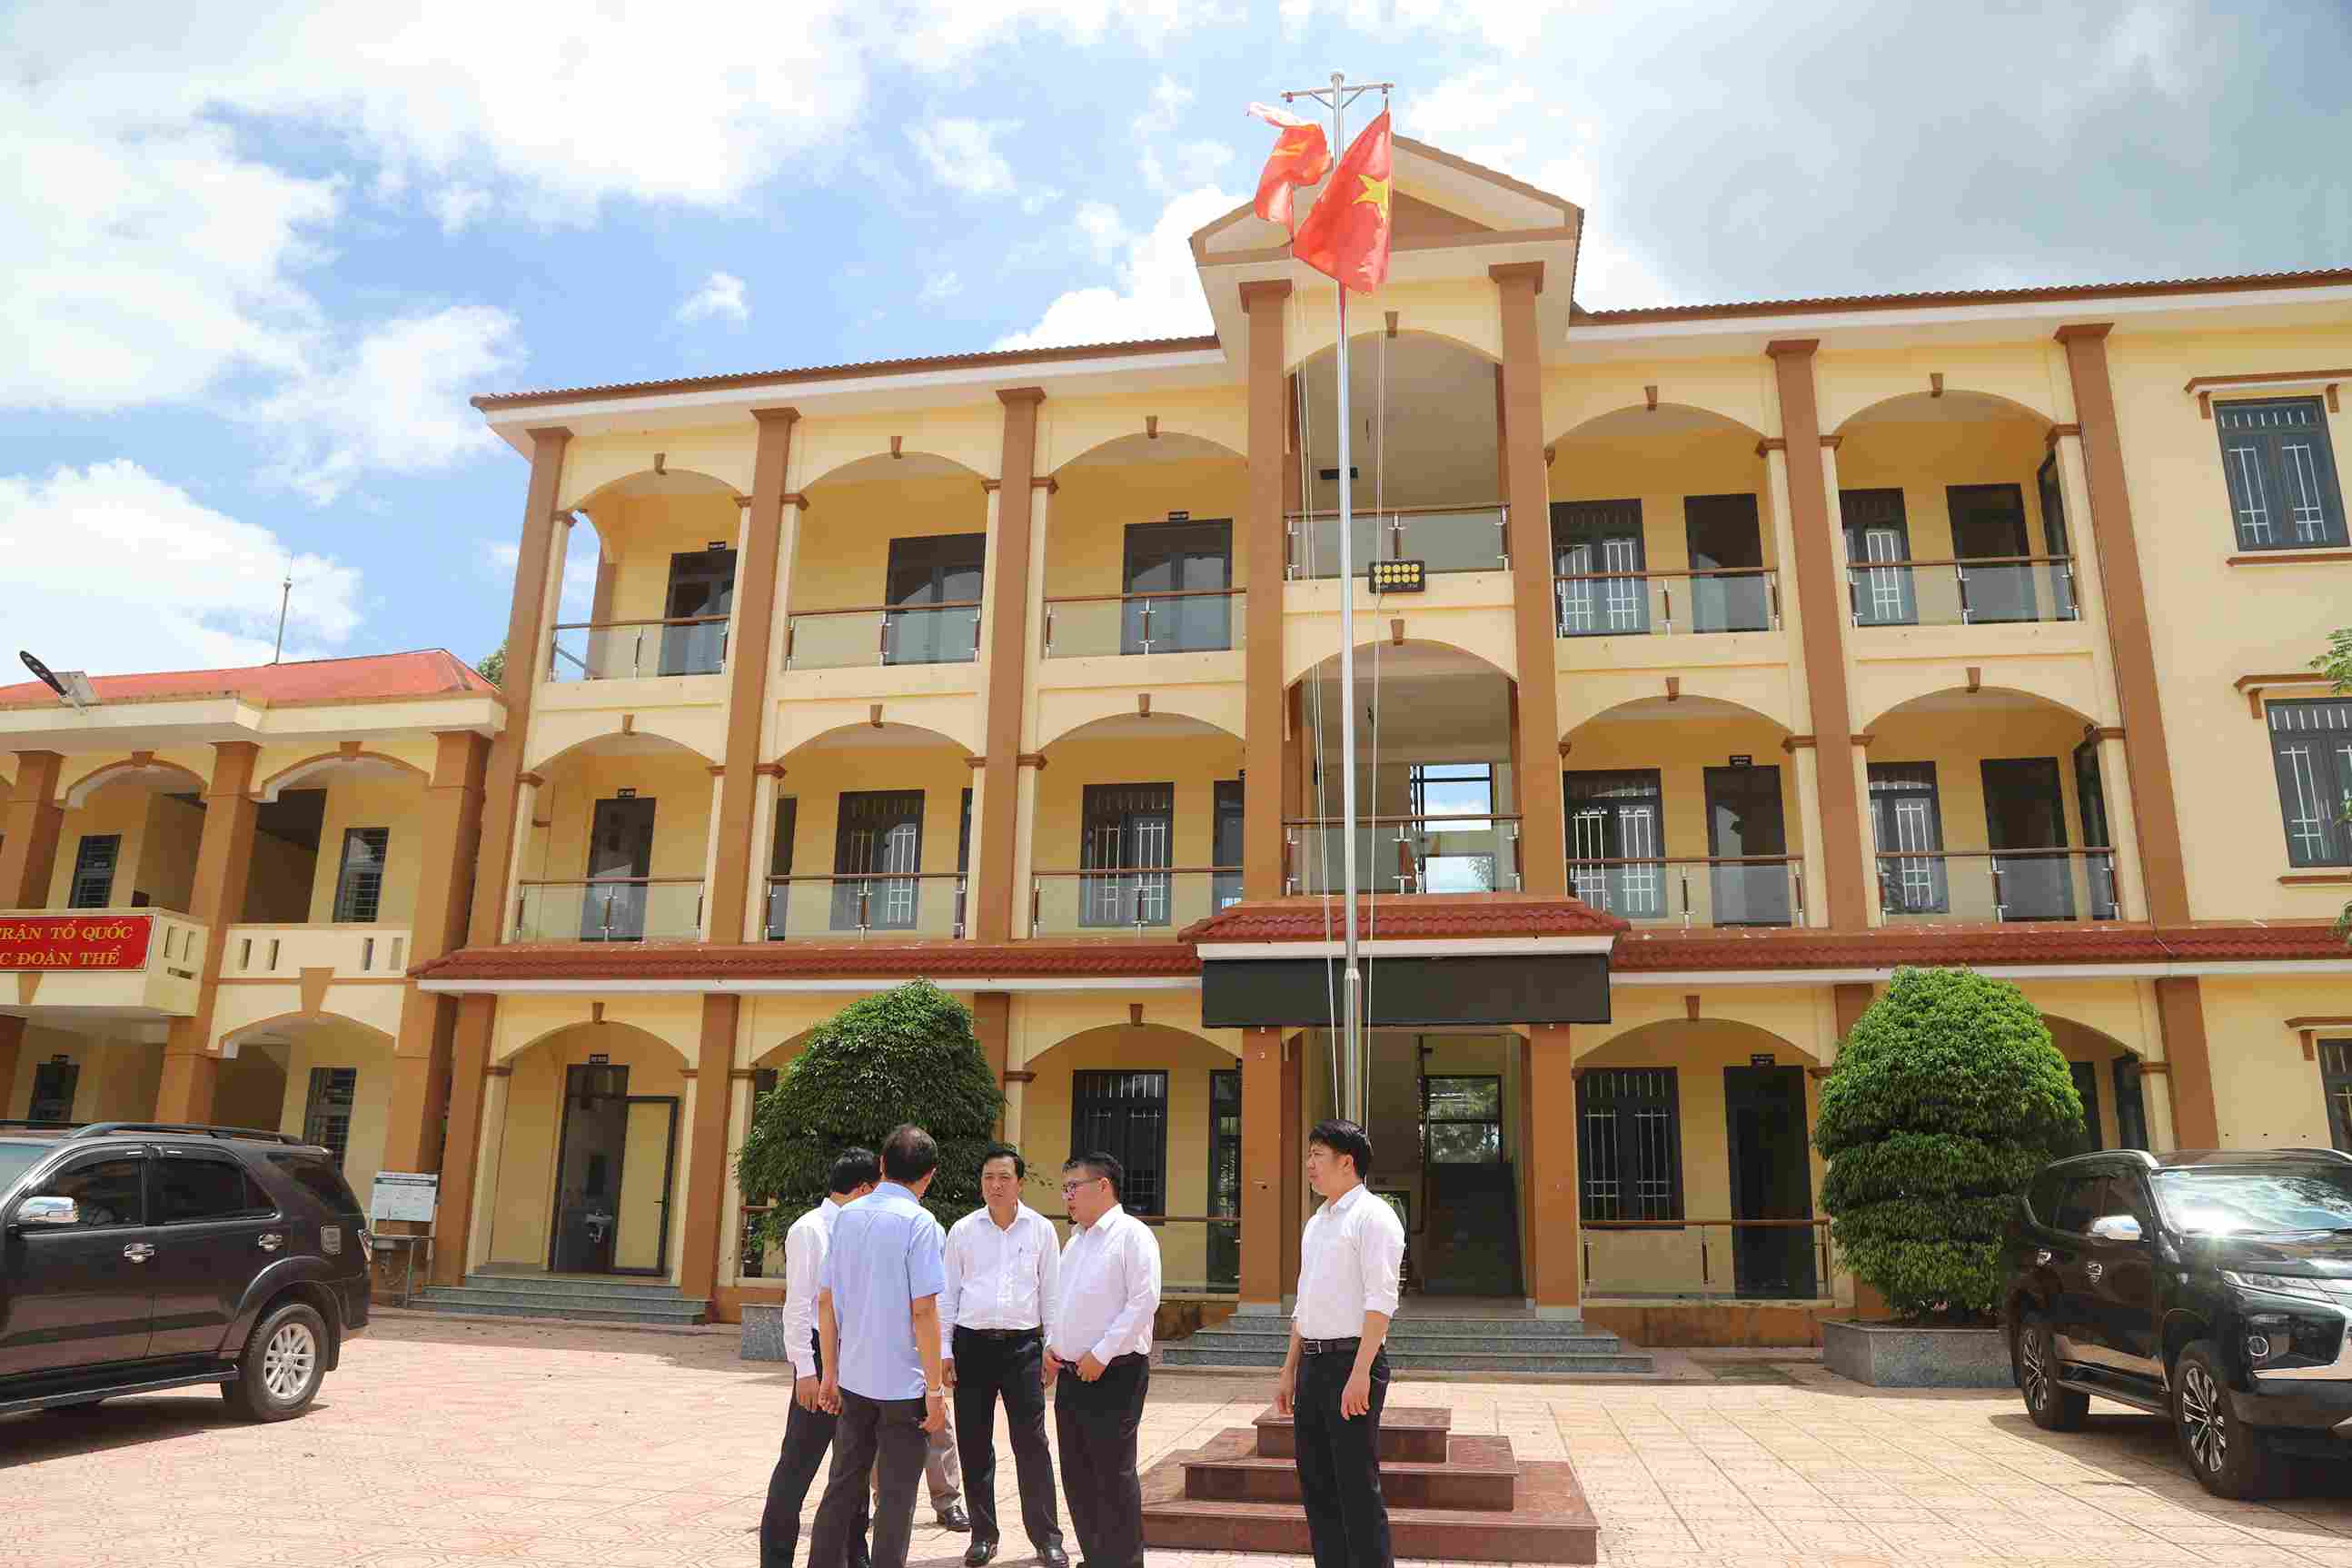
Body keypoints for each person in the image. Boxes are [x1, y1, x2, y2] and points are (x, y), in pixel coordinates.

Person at [808, 1126, 949, 1568]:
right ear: (929, 1176)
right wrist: (935, 1390)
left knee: (842, 1486)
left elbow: (827, 1300)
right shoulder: (921, 1223)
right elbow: (923, 1311)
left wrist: (829, 1373)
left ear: (882, 1165)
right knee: (896, 1497)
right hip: (903, 1387)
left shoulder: (846, 1216)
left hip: (853, 1379)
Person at [1275, 1120, 1404, 1568]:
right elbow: (1305, 1298)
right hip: (1312, 1364)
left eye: (1317, 1155)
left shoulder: (1374, 1217)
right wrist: (1289, 1367)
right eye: (1309, 1154)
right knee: (1316, 1484)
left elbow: (1381, 1302)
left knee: (1355, 1486)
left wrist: (1360, 1374)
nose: (1309, 1164)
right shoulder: (1318, 1222)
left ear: (1347, 1162)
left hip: (1353, 1363)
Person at [941, 1145, 1067, 1568]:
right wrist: (944, 1350)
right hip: (971, 1345)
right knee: (975, 1444)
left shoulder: (1041, 1230)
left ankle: (1047, 1538)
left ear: (1020, 1183)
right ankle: (983, 1536)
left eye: (1004, 1178)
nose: (995, 1186)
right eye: (988, 1178)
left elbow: (1052, 1294)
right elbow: (947, 1295)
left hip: (1023, 1348)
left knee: (1031, 1444)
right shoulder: (962, 1230)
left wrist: (1053, 1348)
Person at [759, 1148, 878, 1568]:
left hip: (856, 1356)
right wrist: (805, 1373)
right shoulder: (810, 1229)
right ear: (864, 1188)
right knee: (798, 1464)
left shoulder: (860, 1228)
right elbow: (797, 1306)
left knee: (854, 1465)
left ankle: (852, 1555)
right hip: (817, 1354)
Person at [1047, 1152, 1160, 1568]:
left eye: (1074, 1186)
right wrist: (1054, 1346)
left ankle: (1124, 1562)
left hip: (1116, 1374)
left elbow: (1143, 1302)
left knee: (1113, 1474)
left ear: (1103, 1186)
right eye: (1065, 1188)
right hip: (1073, 1374)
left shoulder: (1132, 1235)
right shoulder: (1076, 1240)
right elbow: (1063, 1301)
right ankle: (1097, 1557)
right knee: (1078, 1474)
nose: (1068, 1196)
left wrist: (1101, 1353)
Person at [873, 1209, 970, 1533]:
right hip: (882, 1347)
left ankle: (948, 1502)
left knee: (938, 1425)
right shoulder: (867, 1232)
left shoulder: (929, 1229)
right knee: (879, 1431)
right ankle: (881, 1502)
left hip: (921, 1345)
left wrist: (943, 1349)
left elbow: (939, 1298)